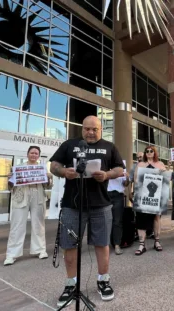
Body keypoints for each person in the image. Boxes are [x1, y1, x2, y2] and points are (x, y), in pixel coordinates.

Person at [50, 116, 124, 306]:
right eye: (87, 129)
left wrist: (107, 174)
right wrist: (64, 172)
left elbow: (120, 169)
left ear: (101, 129)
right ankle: (70, 284)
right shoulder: (70, 144)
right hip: (72, 205)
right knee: (69, 244)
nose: (90, 132)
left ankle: (103, 280)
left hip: (101, 204)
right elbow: (54, 166)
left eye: (94, 129)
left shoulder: (109, 146)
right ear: (81, 129)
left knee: (101, 244)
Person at [4, 146, 52, 266]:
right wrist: (10, 179)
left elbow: (47, 186)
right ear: (27, 154)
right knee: (17, 225)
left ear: (39, 155)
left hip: (38, 197)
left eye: (36, 153)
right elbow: (10, 186)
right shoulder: (19, 168)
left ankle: (40, 250)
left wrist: (48, 178)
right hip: (21, 196)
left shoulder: (42, 168)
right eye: (32, 153)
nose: (34, 155)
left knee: (39, 224)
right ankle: (11, 255)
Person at [134, 146, 166, 255]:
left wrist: (162, 172)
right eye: (146, 151)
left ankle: (157, 241)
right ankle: (141, 244)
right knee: (141, 218)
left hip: (156, 196)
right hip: (142, 195)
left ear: (154, 152)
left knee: (156, 218)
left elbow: (166, 179)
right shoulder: (140, 164)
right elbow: (135, 179)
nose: (149, 152)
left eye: (151, 151)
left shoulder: (160, 164)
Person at [108, 168, 130, 255]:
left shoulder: (122, 167)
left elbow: (125, 184)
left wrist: (127, 178)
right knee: (106, 221)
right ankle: (105, 244)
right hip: (106, 194)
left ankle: (117, 245)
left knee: (117, 221)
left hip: (118, 195)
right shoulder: (105, 164)